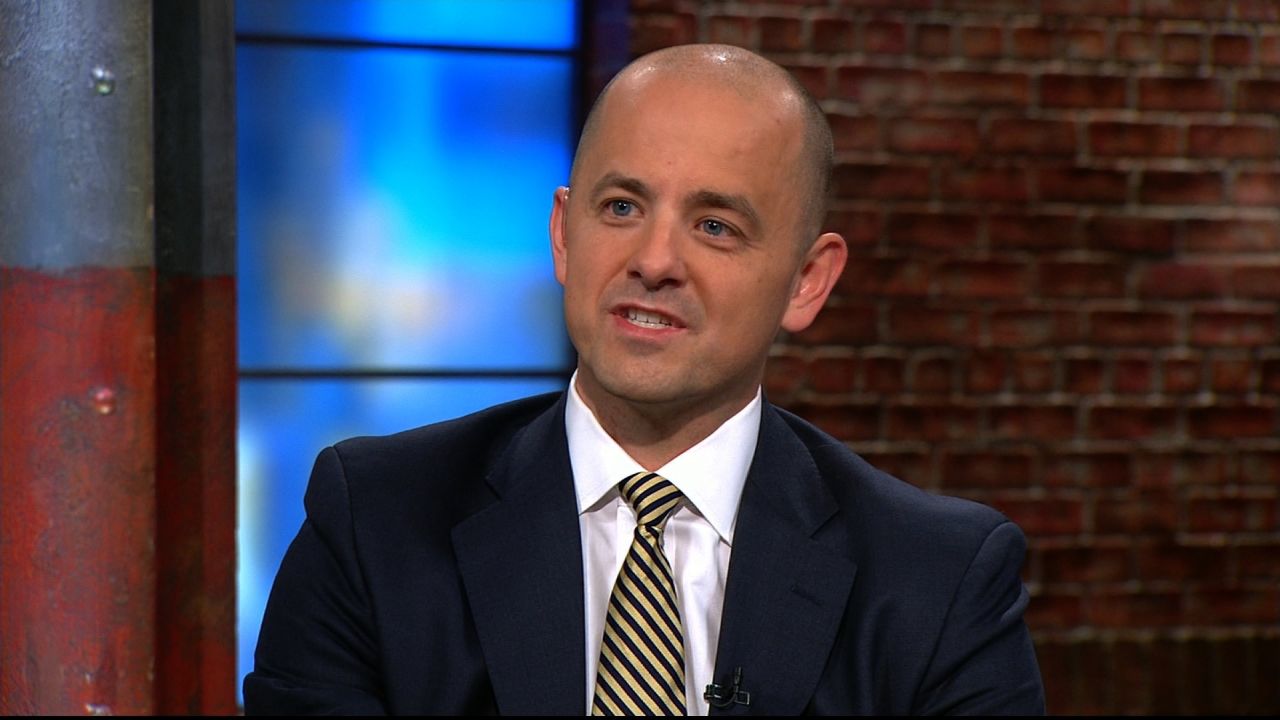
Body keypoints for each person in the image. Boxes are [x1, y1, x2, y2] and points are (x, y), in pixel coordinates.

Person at [244, 43, 1045, 715]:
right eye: (622, 207)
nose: (654, 261)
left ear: (807, 281)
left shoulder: (937, 581)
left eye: (715, 226)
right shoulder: (375, 522)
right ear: (564, 234)